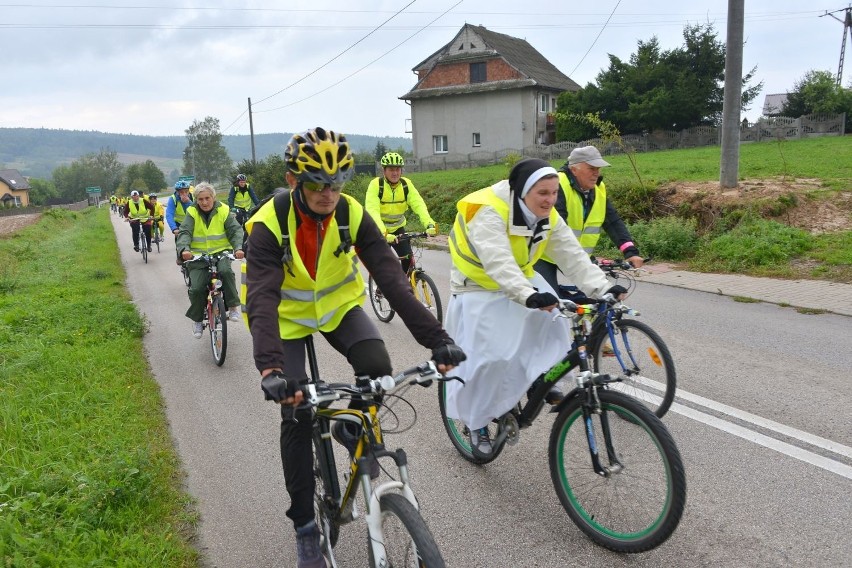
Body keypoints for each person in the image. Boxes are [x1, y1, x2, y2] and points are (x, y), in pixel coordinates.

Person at [242, 127, 466, 568]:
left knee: (377, 365)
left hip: (337, 308)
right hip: (285, 320)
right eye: (318, 184)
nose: (329, 193)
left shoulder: (351, 213)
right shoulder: (268, 226)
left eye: (337, 182)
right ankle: (306, 526)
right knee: (298, 413)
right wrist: (271, 370)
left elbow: (393, 282)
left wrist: (438, 340)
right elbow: (262, 299)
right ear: (294, 181)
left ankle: (350, 428)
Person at [443, 158, 627, 458]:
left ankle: (535, 380)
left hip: (522, 277)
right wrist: (528, 295)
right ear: (523, 191)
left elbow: (573, 256)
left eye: (554, 193)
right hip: (477, 285)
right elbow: (498, 261)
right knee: (491, 357)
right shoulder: (488, 211)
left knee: (553, 324)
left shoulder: (548, 216)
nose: (550, 199)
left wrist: (603, 288)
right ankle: (476, 423)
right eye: (543, 193)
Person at [534, 145, 643, 292]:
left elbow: (613, 222)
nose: (596, 174)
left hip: (577, 255)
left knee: (598, 298)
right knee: (549, 301)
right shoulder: (558, 185)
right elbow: (559, 229)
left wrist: (630, 251)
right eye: (591, 168)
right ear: (574, 170)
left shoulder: (598, 189)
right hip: (546, 254)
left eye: (598, 169)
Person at [176, 183, 244, 338]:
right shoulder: (192, 212)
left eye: (207, 198)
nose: (204, 202)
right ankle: (198, 320)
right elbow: (185, 232)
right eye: (200, 199)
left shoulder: (224, 210)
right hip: (198, 256)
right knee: (197, 288)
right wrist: (185, 250)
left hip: (221, 253)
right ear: (196, 200)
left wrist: (238, 247)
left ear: (213, 197)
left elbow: (234, 230)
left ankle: (233, 306)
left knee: (226, 272)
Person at [364, 152, 437, 273]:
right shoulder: (376, 185)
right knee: (384, 263)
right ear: (384, 170)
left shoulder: (406, 185)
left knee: (408, 260)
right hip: (379, 230)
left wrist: (429, 223)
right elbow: (372, 211)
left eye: (397, 169)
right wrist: (384, 233)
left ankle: (402, 287)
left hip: (398, 228)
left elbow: (418, 204)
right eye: (391, 169)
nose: (395, 173)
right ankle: (381, 290)